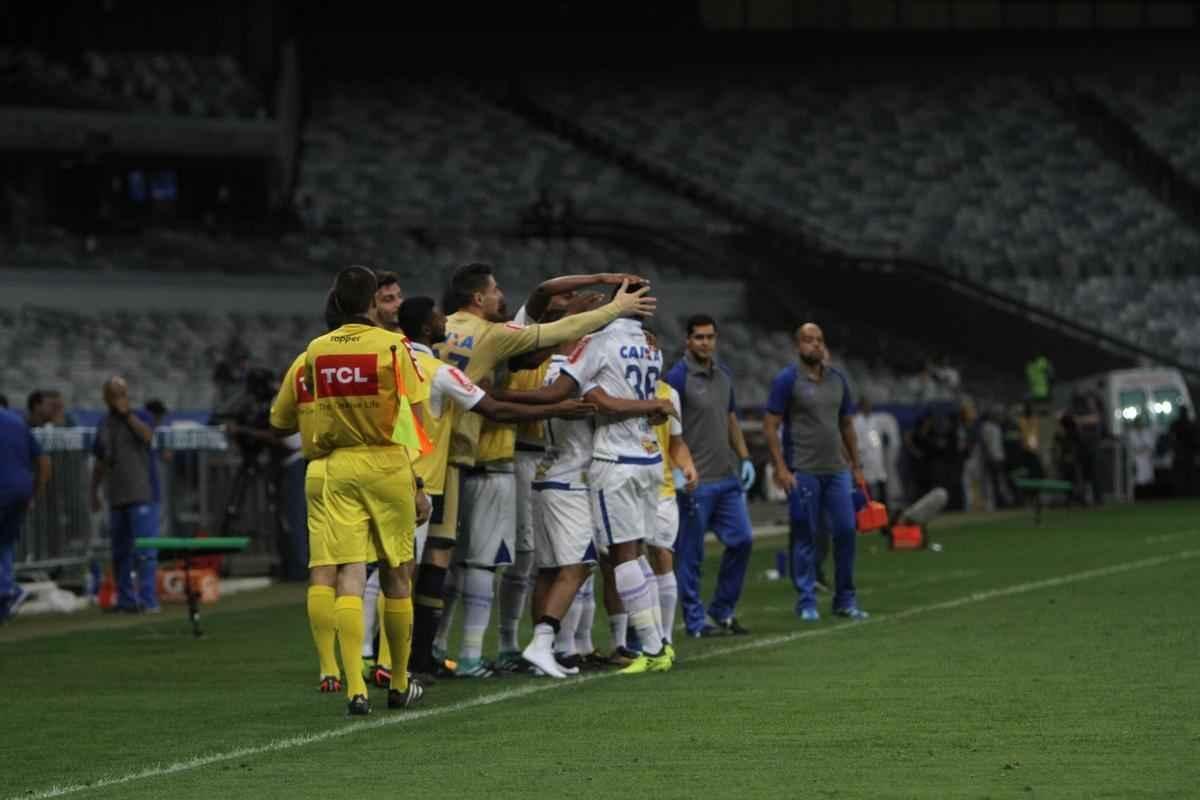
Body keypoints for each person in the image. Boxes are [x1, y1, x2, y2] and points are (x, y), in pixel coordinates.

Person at [418, 264, 653, 679]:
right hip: (508, 461)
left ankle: (430, 650)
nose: (501, 296)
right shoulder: (506, 335)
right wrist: (609, 303)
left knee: (447, 562)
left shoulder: (450, 337)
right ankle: (502, 648)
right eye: (495, 290)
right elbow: (520, 389)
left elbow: (540, 330)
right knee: (516, 563)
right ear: (479, 298)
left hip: (440, 457)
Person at [394, 296, 596, 681]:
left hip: (455, 467)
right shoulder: (484, 349)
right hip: (491, 465)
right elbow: (495, 404)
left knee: (441, 563)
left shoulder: (439, 358)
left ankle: (418, 652)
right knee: (484, 562)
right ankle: (468, 653)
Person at [521, 282, 678, 675]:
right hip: (646, 457)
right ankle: (650, 643)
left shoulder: (596, 344)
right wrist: (654, 405)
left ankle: (650, 647)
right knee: (624, 556)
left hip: (612, 460)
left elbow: (591, 398)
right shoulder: (651, 347)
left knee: (614, 559)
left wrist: (490, 401)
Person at [303, 265, 432, 716]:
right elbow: (414, 415)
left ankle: (355, 687)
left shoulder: (316, 351)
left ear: (337, 300)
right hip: (386, 463)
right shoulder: (393, 346)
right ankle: (398, 682)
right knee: (398, 573)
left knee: (349, 574)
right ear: (374, 302)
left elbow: (316, 412)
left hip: (339, 466)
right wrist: (418, 482)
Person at [764, 323, 868, 622]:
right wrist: (781, 467)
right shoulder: (787, 379)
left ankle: (845, 599)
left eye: (820, 340)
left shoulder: (838, 379)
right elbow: (770, 424)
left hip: (837, 470)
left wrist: (857, 467)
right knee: (806, 536)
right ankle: (806, 599)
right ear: (798, 345)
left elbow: (846, 425)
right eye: (809, 340)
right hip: (804, 469)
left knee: (846, 532)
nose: (815, 345)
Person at [664, 314, 754, 638]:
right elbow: (666, 428)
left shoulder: (724, 375)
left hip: (727, 477)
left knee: (743, 540)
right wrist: (676, 469)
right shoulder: (676, 377)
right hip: (695, 481)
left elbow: (731, 419)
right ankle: (694, 621)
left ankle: (721, 610)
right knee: (691, 554)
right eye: (699, 337)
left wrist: (745, 457)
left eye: (710, 337)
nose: (705, 343)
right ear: (688, 340)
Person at [645, 328, 699, 655]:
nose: (648, 353)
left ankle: (664, 638)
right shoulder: (612, 392)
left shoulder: (669, 394)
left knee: (662, 554)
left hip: (662, 487)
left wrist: (687, 465)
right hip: (623, 485)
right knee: (628, 561)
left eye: (653, 347)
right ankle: (632, 638)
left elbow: (676, 443)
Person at [91, 377, 160, 613]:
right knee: (120, 553)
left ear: (127, 394)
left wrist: (127, 415)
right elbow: (100, 461)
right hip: (117, 497)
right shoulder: (103, 424)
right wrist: (93, 491)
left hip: (143, 495)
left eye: (120, 393)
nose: (116, 398)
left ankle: (149, 601)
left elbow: (149, 438)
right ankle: (126, 601)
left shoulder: (141, 416)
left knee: (145, 551)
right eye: (111, 394)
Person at [0, 405, 50, 622]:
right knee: (5, 544)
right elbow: (44, 462)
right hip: (21, 490)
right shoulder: (17, 421)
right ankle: (4, 605)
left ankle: (9, 589)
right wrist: (33, 494)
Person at [852, 397, 896, 504]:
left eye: (869, 405)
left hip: (876, 457)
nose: (869, 407)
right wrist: (859, 455)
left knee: (881, 481)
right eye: (866, 405)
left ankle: (884, 507)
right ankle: (868, 508)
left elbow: (875, 437)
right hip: (863, 458)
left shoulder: (874, 420)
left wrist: (878, 448)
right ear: (861, 407)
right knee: (865, 486)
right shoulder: (855, 421)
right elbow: (855, 440)